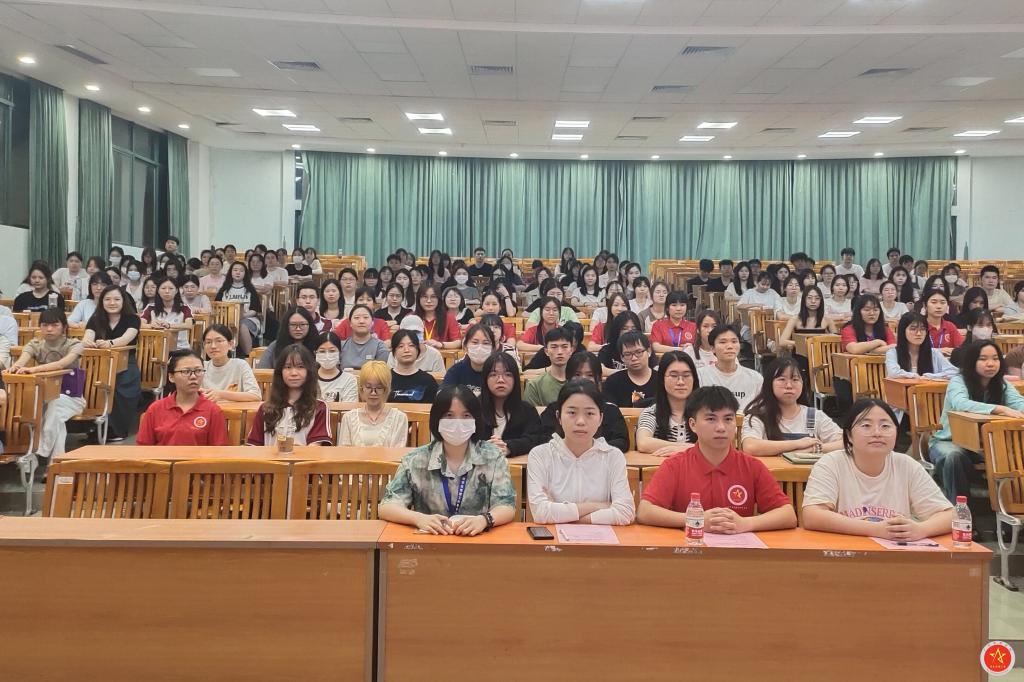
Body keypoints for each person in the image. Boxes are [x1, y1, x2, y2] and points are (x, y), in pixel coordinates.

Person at [636, 386, 798, 533]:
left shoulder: (752, 466)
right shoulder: (675, 465)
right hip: (689, 550)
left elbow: (788, 515)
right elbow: (645, 511)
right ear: (692, 424)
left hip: (738, 550)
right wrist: (695, 520)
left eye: (728, 419)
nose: (721, 427)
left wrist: (745, 524)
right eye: (711, 419)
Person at [802, 399, 953, 539]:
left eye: (885, 426)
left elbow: (950, 515)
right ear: (849, 435)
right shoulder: (831, 464)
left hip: (893, 554)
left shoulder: (907, 466)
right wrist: (876, 530)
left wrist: (921, 529)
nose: (877, 433)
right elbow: (812, 516)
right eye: (866, 426)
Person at [379, 385, 517, 535]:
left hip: (477, 540)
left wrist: (484, 520)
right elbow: (387, 507)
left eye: (466, 416)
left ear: (476, 421)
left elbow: (507, 505)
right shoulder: (415, 460)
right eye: (449, 415)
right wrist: (418, 518)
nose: (458, 422)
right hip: (430, 541)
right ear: (437, 420)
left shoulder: (493, 457)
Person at [526, 380, 636, 525]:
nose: (580, 421)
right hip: (553, 537)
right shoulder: (540, 455)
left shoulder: (613, 456)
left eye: (589, 413)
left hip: (602, 537)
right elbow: (541, 513)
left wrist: (563, 516)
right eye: (572, 412)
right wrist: (598, 506)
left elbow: (625, 513)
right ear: (559, 417)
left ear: (600, 419)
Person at [928, 340, 1024, 502]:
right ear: (972, 361)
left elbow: (1019, 403)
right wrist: (999, 409)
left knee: (1016, 453)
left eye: (995, 358)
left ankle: (1010, 507)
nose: (990, 364)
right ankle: (961, 511)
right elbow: (961, 403)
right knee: (953, 456)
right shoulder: (958, 381)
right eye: (983, 359)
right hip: (950, 441)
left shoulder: (1002, 384)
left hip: (988, 445)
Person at [7, 309, 85, 459]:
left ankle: (37, 451)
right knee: (57, 421)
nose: (49, 329)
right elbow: (21, 360)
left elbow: (61, 364)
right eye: (45, 325)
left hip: (71, 398)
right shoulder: (35, 344)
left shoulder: (75, 344)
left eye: (55, 325)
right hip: (43, 398)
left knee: (55, 406)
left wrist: (34, 369)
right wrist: (15, 367)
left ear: (64, 327)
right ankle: (56, 463)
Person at [740, 357, 844, 457]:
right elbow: (750, 446)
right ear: (769, 384)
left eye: (795, 379)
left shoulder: (814, 416)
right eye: (782, 379)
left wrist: (815, 449)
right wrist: (798, 444)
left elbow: (845, 442)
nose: (789, 385)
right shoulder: (758, 416)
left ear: (802, 384)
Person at [83, 285, 141, 441]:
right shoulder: (96, 318)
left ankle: (116, 430)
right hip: (99, 363)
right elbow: (87, 337)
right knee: (89, 384)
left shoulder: (133, 319)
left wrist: (110, 343)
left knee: (120, 387)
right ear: (102, 301)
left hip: (125, 363)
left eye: (116, 299)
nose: (112, 303)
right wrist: (88, 342)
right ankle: (93, 427)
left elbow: (126, 338)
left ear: (123, 301)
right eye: (107, 299)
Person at [137, 349, 229, 446]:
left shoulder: (213, 411)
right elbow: (143, 448)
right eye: (186, 371)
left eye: (198, 371)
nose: (193, 376)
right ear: (171, 377)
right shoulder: (156, 409)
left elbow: (219, 450)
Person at [246, 344, 333, 446]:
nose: (294, 373)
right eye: (288, 367)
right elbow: (254, 446)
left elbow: (316, 447)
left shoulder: (319, 408)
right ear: (280, 372)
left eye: (300, 367)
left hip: (305, 456)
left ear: (309, 371)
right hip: (269, 456)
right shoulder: (265, 409)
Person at [478, 352, 546, 457]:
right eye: (493, 375)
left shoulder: (527, 410)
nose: (500, 380)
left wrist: (509, 447)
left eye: (507, 374)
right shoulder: (473, 409)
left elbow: (535, 439)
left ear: (515, 379)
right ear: (485, 379)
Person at [636, 351, 699, 457]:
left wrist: (682, 449)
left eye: (686, 375)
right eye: (674, 376)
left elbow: (718, 444)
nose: (681, 382)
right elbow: (643, 443)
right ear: (662, 379)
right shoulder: (652, 412)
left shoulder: (705, 412)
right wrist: (689, 448)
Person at [336, 361, 408, 447]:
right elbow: (344, 451)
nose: (373, 393)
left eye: (379, 387)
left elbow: (398, 452)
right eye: (368, 387)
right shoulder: (349, 418)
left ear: (386, 389)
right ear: (362, 388)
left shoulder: (399, 418)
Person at [697, 325, 763, 413]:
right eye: (723, 342)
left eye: (734, 341)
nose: (729, 346)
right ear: (712, 348)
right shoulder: (700, 375)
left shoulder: (755, 378)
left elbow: (761, 409)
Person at [198, 324, 261, 403]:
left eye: (219, 341)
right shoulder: (201, 367)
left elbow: (255, 395)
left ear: (230, 344)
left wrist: (221, 394)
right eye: (208, 342)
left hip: (234, 410)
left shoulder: (240, 365)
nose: (213, 346)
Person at [885, 313, 958, 380]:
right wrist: (915, 376)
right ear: (903, 331)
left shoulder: (934, 353)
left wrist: (929, 377)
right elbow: (893, 373)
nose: (919, 333)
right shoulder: (892, 353)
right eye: (913, 329)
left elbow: (954, 372)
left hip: (928, 389)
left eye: (923, 329)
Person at [602, 331, 659, 408]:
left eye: (638, 352)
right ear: (622, 357)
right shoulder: (612, 382)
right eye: (628, 354)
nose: (634, 358)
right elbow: (610, 411)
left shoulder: (661, 379)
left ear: (649, 351)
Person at [216, 262, 262, 355]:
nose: (238, 272)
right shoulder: (224, 289)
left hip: (247, 318)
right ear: (231, 272)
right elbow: (217, 306)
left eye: (241, 271)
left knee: (241, 326)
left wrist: (241, 316)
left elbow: (255, 310)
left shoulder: (250, 290)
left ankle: (248, 356)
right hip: (227, 318)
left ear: (245, 273)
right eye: (235, 270)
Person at [523, 327, 574, 407]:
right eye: (554, 347)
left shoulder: (581, 384)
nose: (559, 352)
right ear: (546, 351)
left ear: (571, 350)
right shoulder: (534, 385)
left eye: (564, 347)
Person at [141, 277, 193, 350]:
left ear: (176, 291)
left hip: (180, 348)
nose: (167, 291)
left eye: (171, 288)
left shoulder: (184, 308)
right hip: (156, 348)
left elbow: (189, 325)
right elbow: (140, 324)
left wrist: (169, 325)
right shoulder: (150, 308)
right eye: (163, 288)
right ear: (158, 291)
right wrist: (152, 325)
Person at [442, 324, 495, 394]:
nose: (480, 348)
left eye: (486, 343)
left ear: (493, 348)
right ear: (465, 347)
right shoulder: (456, 370)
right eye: (475, 342)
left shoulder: (498, 372)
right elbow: (444, 395)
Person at [388, 329, 440, 403]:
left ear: (417, 350)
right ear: (394, 352)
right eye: (401, 346)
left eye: (411, 345)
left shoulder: (428, 381)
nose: (406, 350)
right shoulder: (385, 379)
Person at [778, 286, 830, 352]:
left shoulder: (827, 320)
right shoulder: (795, 319)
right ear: (804, 300)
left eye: (817, 298)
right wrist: (805, 343)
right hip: (800, 354)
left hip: (820, 354)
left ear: (821, 301)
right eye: (809, 298)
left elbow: (836, 340)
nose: (813, 301)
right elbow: (782, 342)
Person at [339, 304, 390, 370]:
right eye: (356, 318)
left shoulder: (380, 347)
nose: (361, 321)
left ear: (372, 322)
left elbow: (379, 373)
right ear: (350, 323)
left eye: (365, 317)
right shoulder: (342, 346)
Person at [314, 332, 358, 402]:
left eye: (332, 351)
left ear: (340, 352)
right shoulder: (308, 378)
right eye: (322, 351)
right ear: (315, 353)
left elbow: (350, 407)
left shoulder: (349, 379)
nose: (327, 356)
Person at [415, 284, 461, 350]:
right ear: (418, 299)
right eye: (425, 297)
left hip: (441, 355)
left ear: (439, 299)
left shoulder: (448, 317)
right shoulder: (411, 317)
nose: (429, 301)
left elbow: (458, 342)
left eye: (433, 297)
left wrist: (440, 344)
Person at [921, 289, 961, 356]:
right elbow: (914, 351)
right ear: (925, 305)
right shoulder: (919, 326)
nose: (939, 307)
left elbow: (961, 349)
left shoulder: (950, 326)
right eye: (934, 302)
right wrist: (938, 351)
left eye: (943, 302)